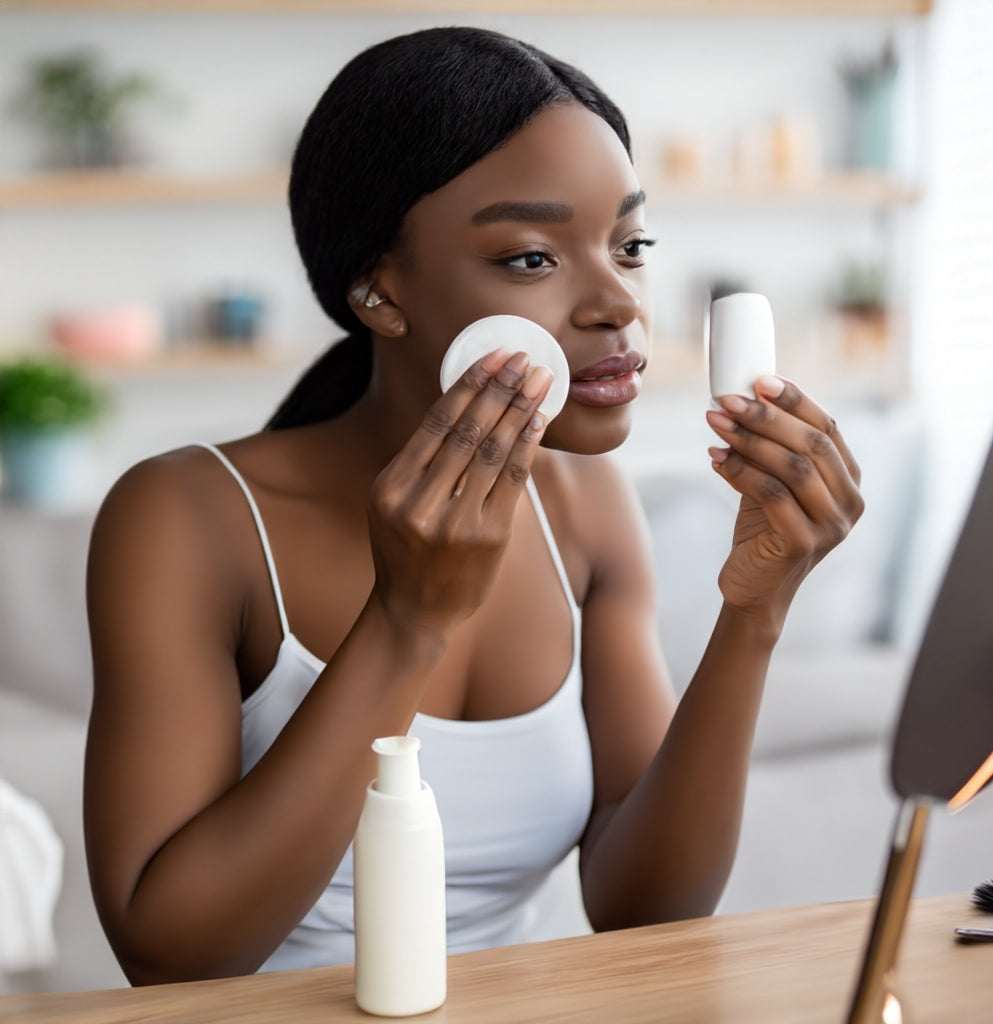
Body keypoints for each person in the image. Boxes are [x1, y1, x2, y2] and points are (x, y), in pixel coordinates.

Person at [83, 26, 863, 986]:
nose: (616, 301)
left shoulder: (585, 509)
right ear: (378, 288)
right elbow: (168, 958)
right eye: (533, 258)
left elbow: (643, 911)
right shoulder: (184, 516)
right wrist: (407, 621)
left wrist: (755, 612)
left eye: (630, 244)